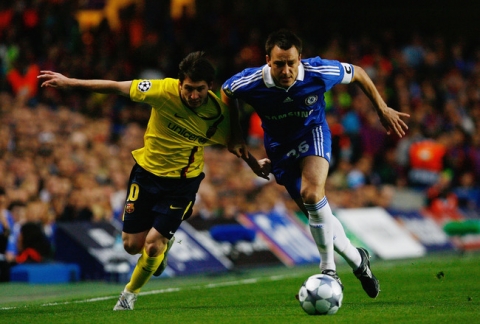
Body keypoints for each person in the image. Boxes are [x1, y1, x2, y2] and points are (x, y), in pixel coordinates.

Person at [38, 51, 266, 310]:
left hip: (182, 184)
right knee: (131, 245)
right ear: (179, 83)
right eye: (188, 88)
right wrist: (71, 83)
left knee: (153, 244)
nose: (193, 96)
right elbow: (116, 87)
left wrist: (254, 164)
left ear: (210, 87)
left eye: (200, 90)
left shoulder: (219, 117)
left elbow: (236, 146)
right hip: (145, 174)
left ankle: (129, 295)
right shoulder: (162, 91)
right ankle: (163, 249)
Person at [222, 29, 410, 298]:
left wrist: (382, 109)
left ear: (300, 59)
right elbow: (226, 92)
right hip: (279, 149)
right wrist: (236, 135)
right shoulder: (250, 82)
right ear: (267, 60)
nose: (286, 70)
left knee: (311, 194)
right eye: (279, 64)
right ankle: (359, 262)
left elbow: (358, 72)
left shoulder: (320, 71)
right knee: (318, 216)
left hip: (313, 134)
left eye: (291, 63)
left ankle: (328, 270)